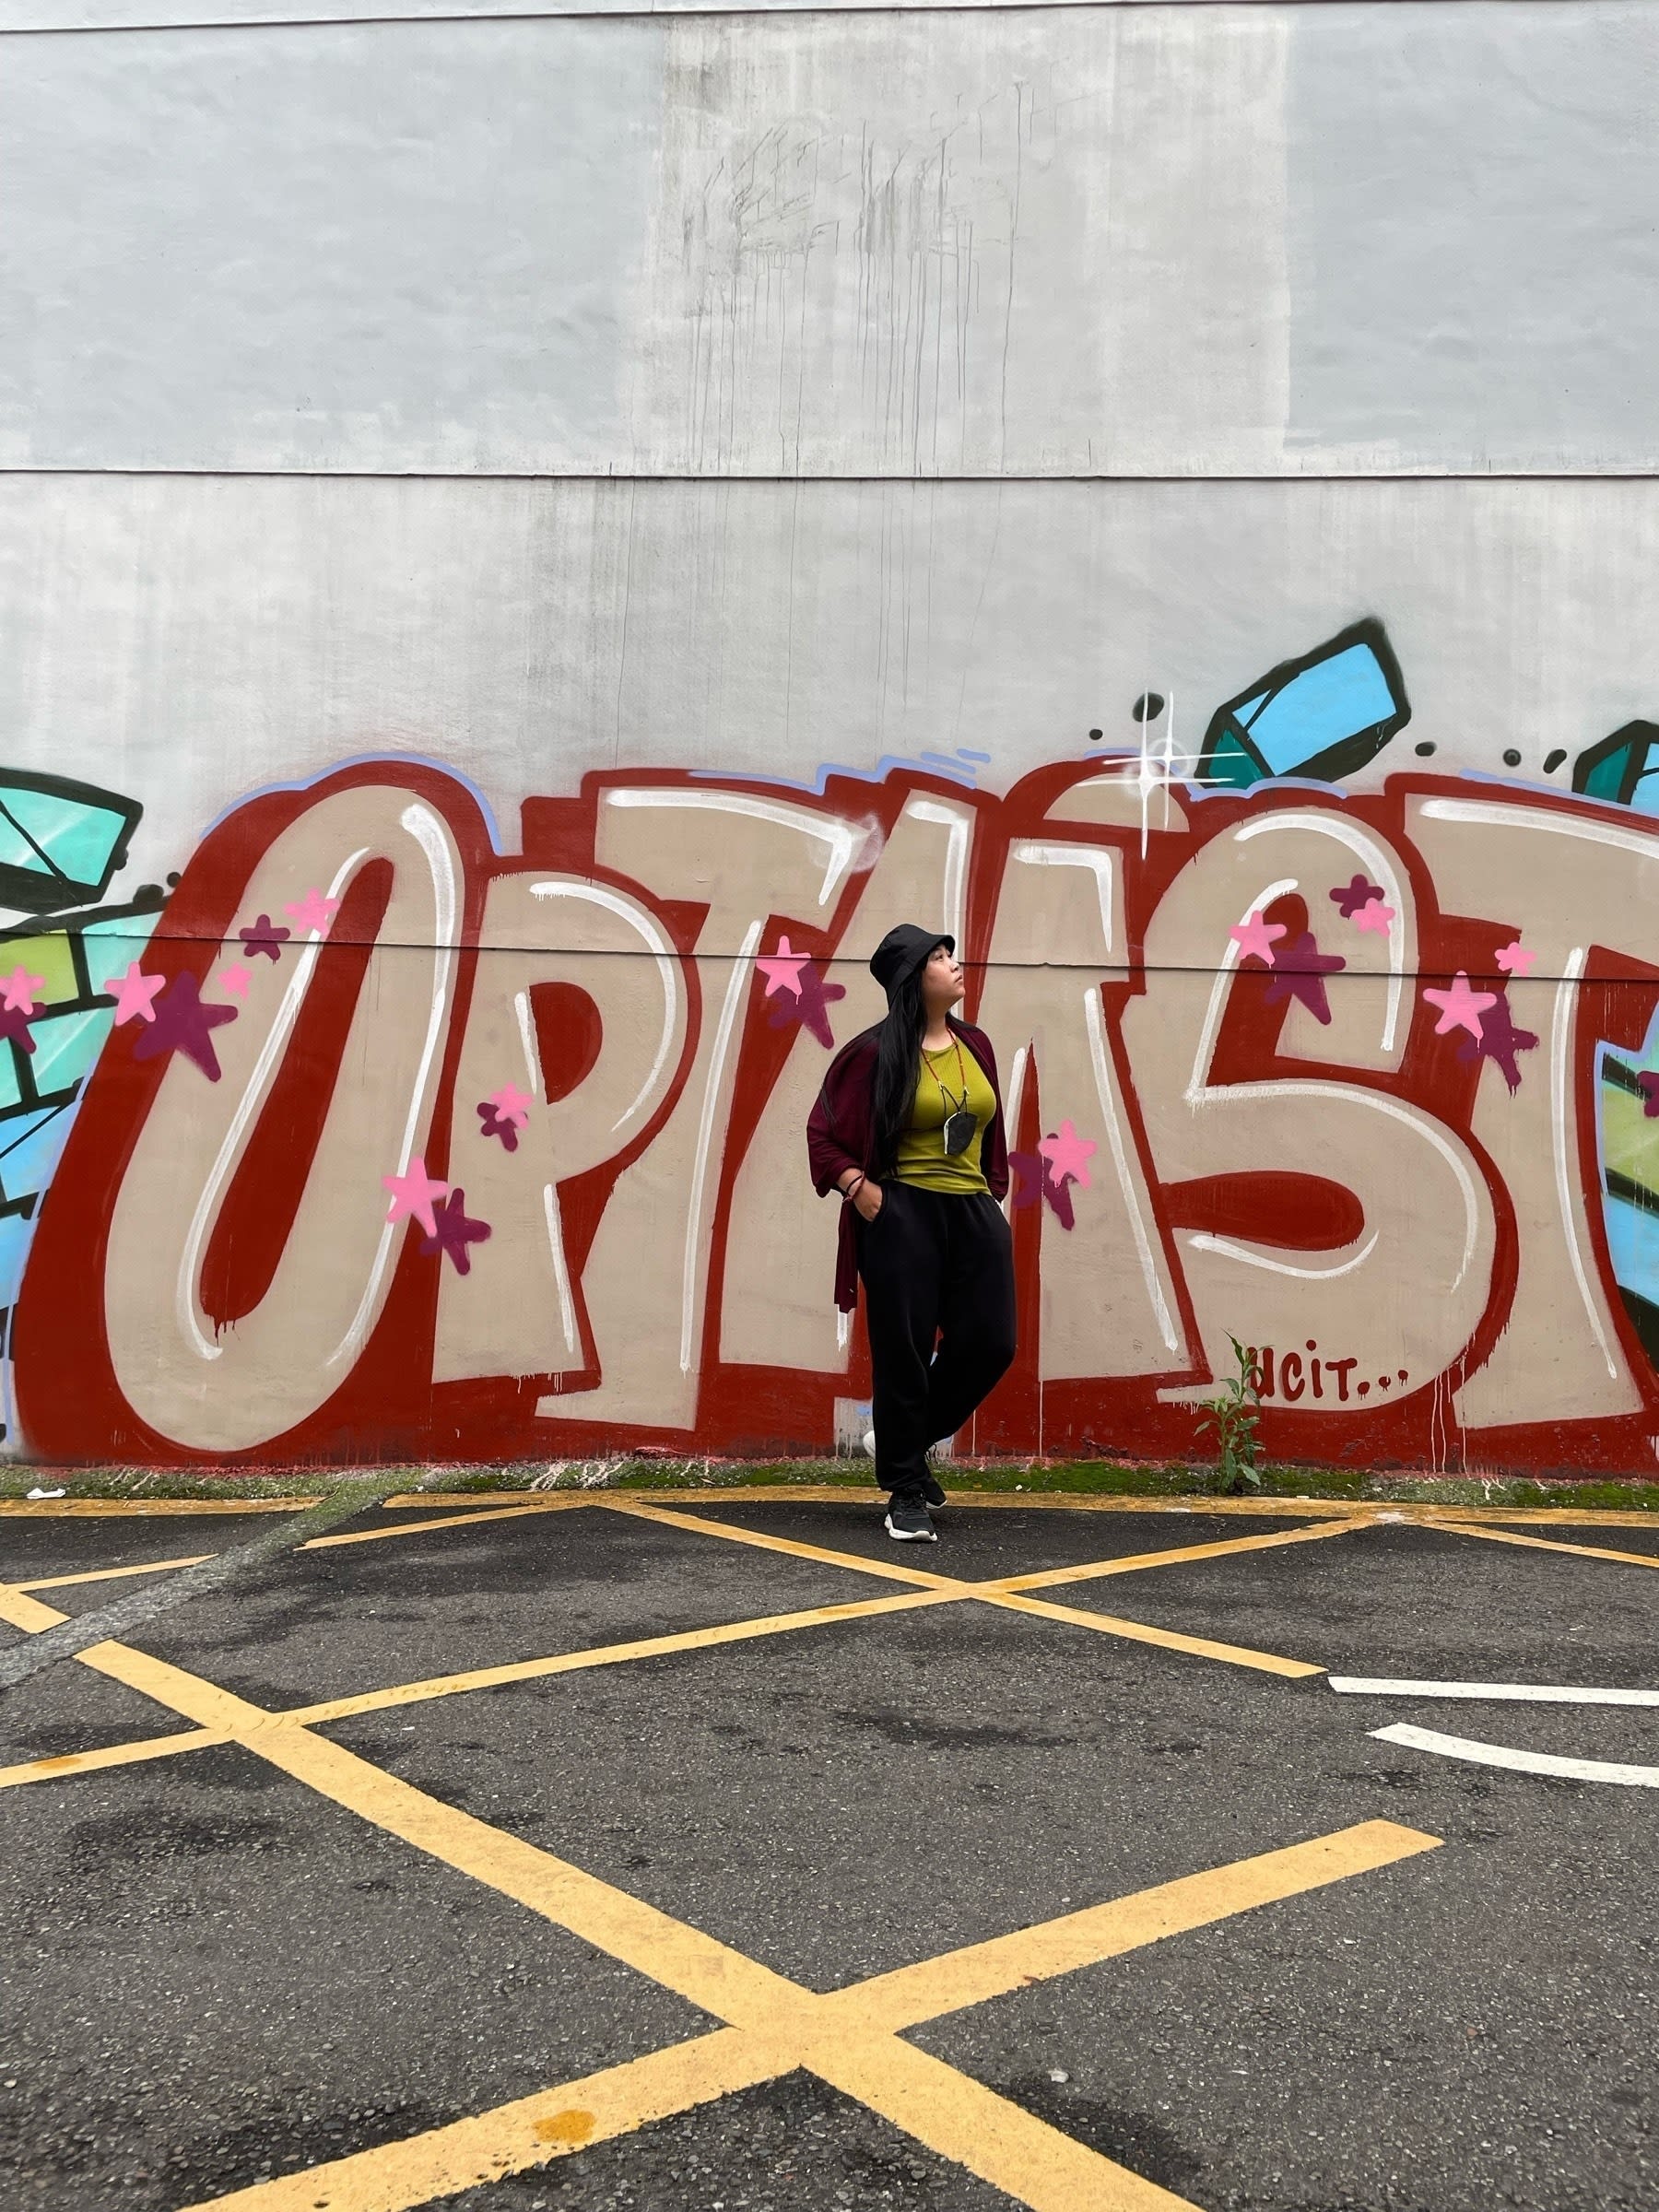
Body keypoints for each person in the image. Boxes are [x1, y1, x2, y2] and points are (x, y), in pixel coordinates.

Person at [806, 925, 1017, 1541]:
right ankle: (904, 1489)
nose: (954, 965)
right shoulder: (873, 1053)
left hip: (972, 1210)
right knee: (904, 1347)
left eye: (949, 954)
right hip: (902, 1214)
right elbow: (822, 1133)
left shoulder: (975, 1044)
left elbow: (990, 1130)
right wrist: (856, 1187)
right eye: (939, 958)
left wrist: (990, 1195)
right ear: (911, 979)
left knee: (991, 1341)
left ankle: (904, 1437)